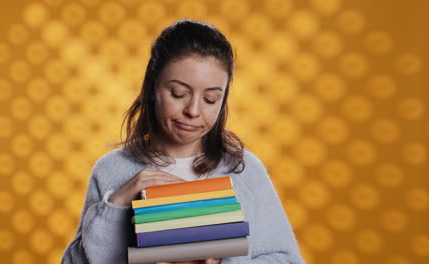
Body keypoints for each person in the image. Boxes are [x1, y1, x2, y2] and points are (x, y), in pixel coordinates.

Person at [61, 19, 305, 264]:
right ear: (152, 88)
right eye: (178, 93)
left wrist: (223, 262)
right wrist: (116, 205)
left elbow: (287, 260)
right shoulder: (111, 171)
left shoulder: (245, 171)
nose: (193, 110)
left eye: (210, 99)